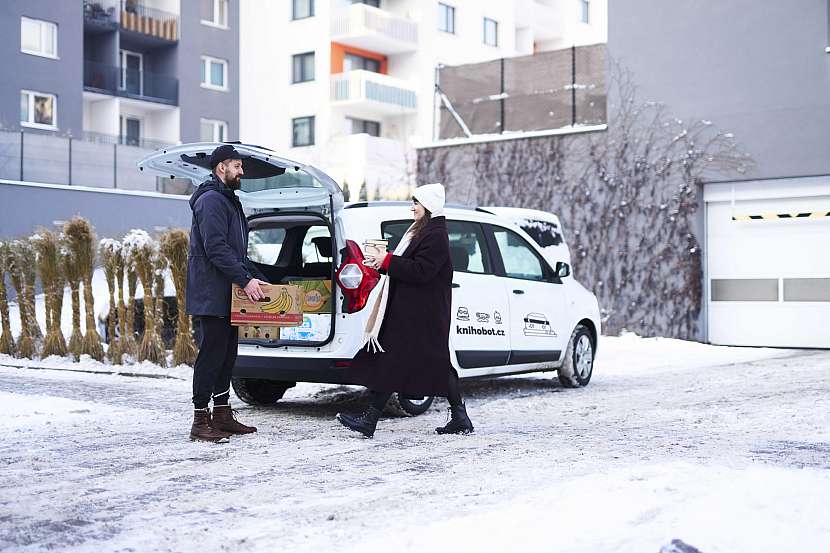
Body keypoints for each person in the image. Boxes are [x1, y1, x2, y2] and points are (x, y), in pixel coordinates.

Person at [336, 183, 474, 438]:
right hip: (415, 312)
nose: (412, 208)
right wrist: (382, 263)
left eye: (416, 203)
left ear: (429, 206)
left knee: (398, 362)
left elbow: (422, 271)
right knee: (431, 364)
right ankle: (460, 417)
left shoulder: (435, 235)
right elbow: (411, 267)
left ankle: (370, 420)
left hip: (422, 315)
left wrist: (388, 261)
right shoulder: (423, 231)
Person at [186, 144, 269, 442]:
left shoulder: (228, 200)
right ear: (222, 167)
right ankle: (200, 419)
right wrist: (245, 281)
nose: (242, 171)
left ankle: (221, 413)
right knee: (211, 355)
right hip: (212, 293)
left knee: (226, 356)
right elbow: (216, 248)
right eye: (237, 165)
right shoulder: (210, 201)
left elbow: (237, 253)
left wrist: (256, 278)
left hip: (228, 293)